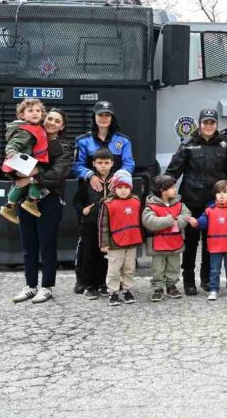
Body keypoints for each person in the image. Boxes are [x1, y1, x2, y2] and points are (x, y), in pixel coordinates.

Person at [165, 108, 227, 296]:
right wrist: (162, 191)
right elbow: (173, 171)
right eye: (205, 122)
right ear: (199, 124)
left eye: (212, 122)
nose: (208, 126)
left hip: (215, 203)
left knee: (210, 242)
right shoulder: (188, 144)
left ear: (216, 124)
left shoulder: (225, 144)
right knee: (190, 243)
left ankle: (206, 278)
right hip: (192, 201)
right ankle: (189, 280)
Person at [72, 100, 135, 294]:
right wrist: (90, 175)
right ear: (95, 117)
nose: (104, 118)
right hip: (90, 192)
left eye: (107, 115)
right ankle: (83, 281)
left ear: (112, 117)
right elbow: (76, 165)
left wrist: (118, 178)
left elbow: (129, 163)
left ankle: (106, 282)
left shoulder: (123, 141)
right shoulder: (83, 141)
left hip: (115, 194)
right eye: (100, 114)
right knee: (87, 243)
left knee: (110, 243)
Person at [11, 108, 72, 304]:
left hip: (50, 200)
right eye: (50, 118)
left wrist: (30, 179)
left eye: (57, 121)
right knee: (28, 245)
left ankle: (46, 287)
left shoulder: (64, 147)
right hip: (25, 199)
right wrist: (16, 172)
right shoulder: (29, 138)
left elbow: (57, 174)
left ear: (62, 126)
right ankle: (30, 286)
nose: (51, 122)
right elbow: (12, 164)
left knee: (47, 245)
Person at [142, 175, 195, 303]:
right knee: (158, 268)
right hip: (158, 243)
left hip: (174, 242)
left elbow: (187, 214)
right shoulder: (151, 206)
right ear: (162, 190)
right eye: (172, 187)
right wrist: (168, 221)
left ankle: (171, 286)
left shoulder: (179, 204)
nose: (175, 189)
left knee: (174, 266)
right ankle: (158, 288)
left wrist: (178, 221)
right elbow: (149, 221)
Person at [72, 148, 115, 300]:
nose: (103, 166)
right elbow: (76, 201)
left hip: (109, 225)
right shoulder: (87, 182)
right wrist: (83, 210)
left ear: (112, 163)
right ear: (94, 164)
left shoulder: (116, 181)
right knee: (89, 254)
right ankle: (88, 285)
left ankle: (103, 283)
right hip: (90, 223)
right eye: (100, 163)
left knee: (105, 255)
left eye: (106, 163)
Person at [0, 98, 50, 223]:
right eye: (30, 110)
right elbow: (13, 143)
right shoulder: (26, 130)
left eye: (38, 110)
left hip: (20, 163)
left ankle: (9, 206)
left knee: (21, 184)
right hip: (22, 163)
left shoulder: (33, 128)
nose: (35, 113)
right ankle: (31, 201)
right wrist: (11, 150)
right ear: (22, 115)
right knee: (40, 173)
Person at [98, 170, 144, 307]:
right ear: (114, 188)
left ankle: (127, 290)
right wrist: (104, 243)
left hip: (132, 242)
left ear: (130, 187)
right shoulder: (107, 204)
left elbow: (140, 222)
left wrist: (141, 238)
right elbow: (103, 225)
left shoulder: (136, 201)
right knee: (114, 269)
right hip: (114, 243)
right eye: (119, 187)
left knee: (129, 268)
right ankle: (112, 292)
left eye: (126, 187)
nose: (123, 190)